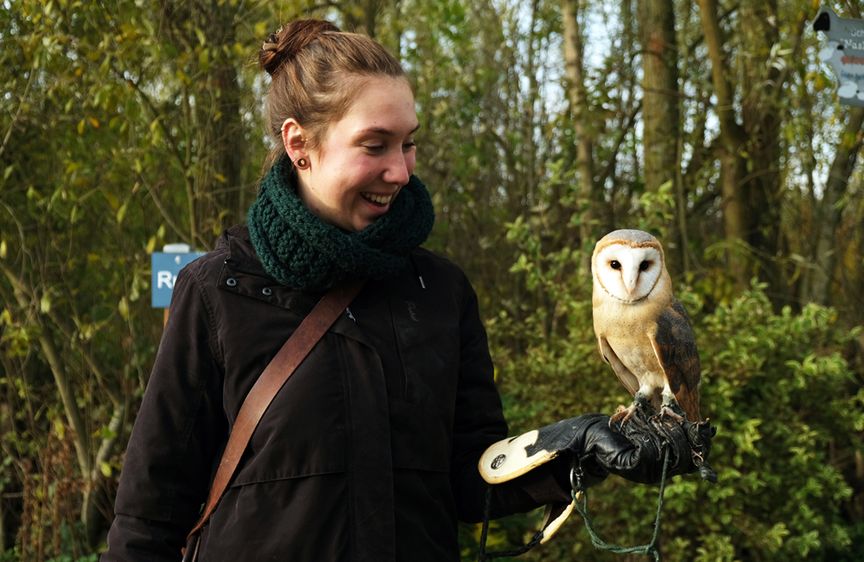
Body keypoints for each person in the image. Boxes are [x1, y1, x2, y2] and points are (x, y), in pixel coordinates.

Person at [102, 19, 709, 562]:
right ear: (299, 145)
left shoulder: (439, 290)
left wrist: (578, 449)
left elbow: (475, 478)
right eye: (375, 145)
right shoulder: (217, 290)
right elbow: (149, 517)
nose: (401, 170)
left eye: (408, 142)